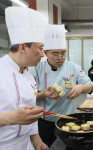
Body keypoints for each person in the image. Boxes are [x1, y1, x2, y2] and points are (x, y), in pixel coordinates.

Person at [29, 24, 93, 147]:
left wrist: (80, 87)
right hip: (44, 121)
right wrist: (44, 94)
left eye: (63, 53)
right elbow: (28, 96)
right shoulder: (37, 68)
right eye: (55, 54)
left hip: (67, 119)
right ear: (46, 52)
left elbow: (90, 85)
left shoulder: (73, 67)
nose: (60, 58)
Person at [0, 7, 48, 150]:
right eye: (40, 48)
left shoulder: (29, 78)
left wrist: (37, 142)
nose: (43, 54)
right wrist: (12, 118)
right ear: (22, 47)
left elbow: (30, 117)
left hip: (25, 145)